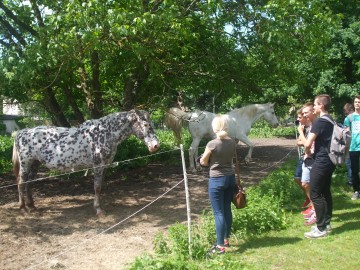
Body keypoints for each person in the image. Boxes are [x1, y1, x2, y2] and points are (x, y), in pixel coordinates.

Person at [200, 115, 236, 254]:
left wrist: (202, 159)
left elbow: (203, 162)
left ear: (214, 128)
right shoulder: (232, 141)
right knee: (227, 209)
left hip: (216, 179)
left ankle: (219, 246)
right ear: (226, 126)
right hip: (230, 178)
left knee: (218, 212)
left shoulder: (212, 144)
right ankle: (226, 239)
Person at [303, 94, 335, 239]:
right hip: (331, 160)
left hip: (321, 161)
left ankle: (321, 228)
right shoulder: (331, 120)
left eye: (315, 104)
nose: (314, 107)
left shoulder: (319, 122)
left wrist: (307, 151)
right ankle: (326, 224)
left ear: (321, 106)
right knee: (325, 191)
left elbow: (308, 143)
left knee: (315, 193)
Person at [299, 102, 318, 226]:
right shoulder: (311, 126)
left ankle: (317, 214)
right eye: (303, 113)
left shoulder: (315, 125)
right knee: (305, 183)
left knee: (315, 187)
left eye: (306, 113)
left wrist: (300, 132)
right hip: (307, 158)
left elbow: (307, 144)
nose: (304, 115)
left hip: (312, 158)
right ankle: (314, 208)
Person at [293, 108, 310, 208]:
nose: (298, 119)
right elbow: (298, 142)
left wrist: (302, 135)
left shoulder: (310, 128)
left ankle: (312, 203)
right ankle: (309, 197)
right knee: (297, 178)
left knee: (306, 182)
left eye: (300, 117)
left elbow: (307, 144)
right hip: (304, 156)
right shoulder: (303, 128)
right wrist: (302, 136)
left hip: (309, 157)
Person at [344, 96, 360, 200]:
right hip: (353, 148)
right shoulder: (349, 118)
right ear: (353, 104)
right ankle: (356, 190)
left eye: (359, 102)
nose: (357, 103)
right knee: (354, 171)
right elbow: (347, 133)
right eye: (356, 102)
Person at [343, 102, 354, 186]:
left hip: (350, 144)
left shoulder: (347, 119)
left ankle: (351, 181)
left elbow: (347, 133)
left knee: (349, 163)